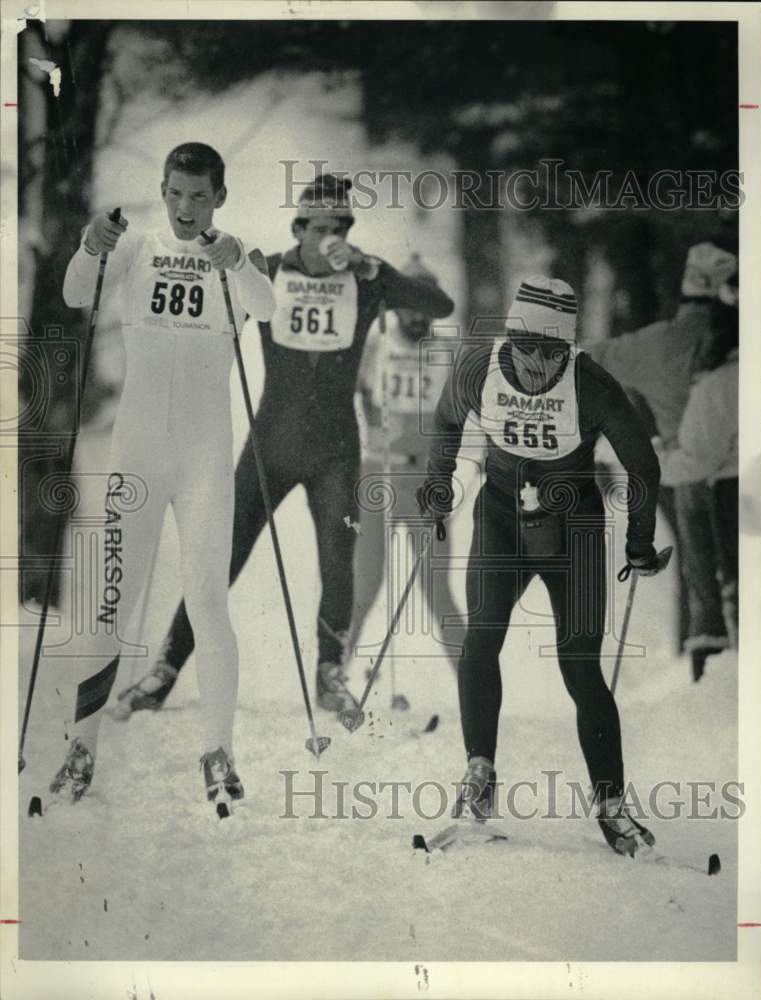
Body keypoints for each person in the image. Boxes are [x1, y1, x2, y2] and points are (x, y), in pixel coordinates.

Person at [116, 174, 455, 719]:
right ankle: (165, 670)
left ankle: (330, 672)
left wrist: (376, 269)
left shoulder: (367, 281)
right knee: (220, 558)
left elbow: (439, 304)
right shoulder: (269, 270)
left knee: (336, 562)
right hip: (270, 443)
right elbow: (199, 310)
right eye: (319, 227)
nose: (329, 237)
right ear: (297, 228)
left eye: (340, 227)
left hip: (335, 451)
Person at [49, 143, 277, 807]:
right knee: (113, 603)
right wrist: (90, 246)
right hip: (138, 453)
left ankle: (219, 751)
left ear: (219, 198)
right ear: (163, 190)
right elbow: (72, 292)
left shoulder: (235, 253)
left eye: (198, 196)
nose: (185, 208)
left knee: (207, 599)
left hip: (204, 457)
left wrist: (237, 261)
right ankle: (81, 749)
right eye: (176, 193)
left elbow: (264, 310)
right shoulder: (137, 246)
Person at [418, 276, 665, 857]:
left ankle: (611, 804)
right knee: (482, 639)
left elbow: (643, 465)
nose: (535, 364)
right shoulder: (480, 367)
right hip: (501, 513)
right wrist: (436, 488)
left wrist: (639, 541)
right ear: (509, 338)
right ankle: (479, 775)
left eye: (550, 352)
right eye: (525, 347)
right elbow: (447, 420)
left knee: (580, 663)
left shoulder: (590, 382)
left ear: (569, 350)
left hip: (573, 522)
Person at [585, 242, 738, 681]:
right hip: (741, 473)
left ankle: (701, 669)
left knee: (698, 577)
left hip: (686, 474)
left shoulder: (656, 343)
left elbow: (590, 357)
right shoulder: (741, 335)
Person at [350, 254, 464, 687]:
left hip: (426, 483)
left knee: (437, 589)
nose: (419, 316)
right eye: (411, 305)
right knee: (364, 587)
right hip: (377, 476)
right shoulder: (375, 346)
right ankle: (332, 676)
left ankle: (472, 683)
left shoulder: (449, 352)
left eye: (428, 308)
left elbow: (469, 409)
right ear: (395, 306)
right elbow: (352, 396)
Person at [657, 273, 739, 676]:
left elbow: (696, 459)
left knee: (730, 589)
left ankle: (714, 660)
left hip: (735, 496)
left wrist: (654, 460)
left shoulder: (723, 382)